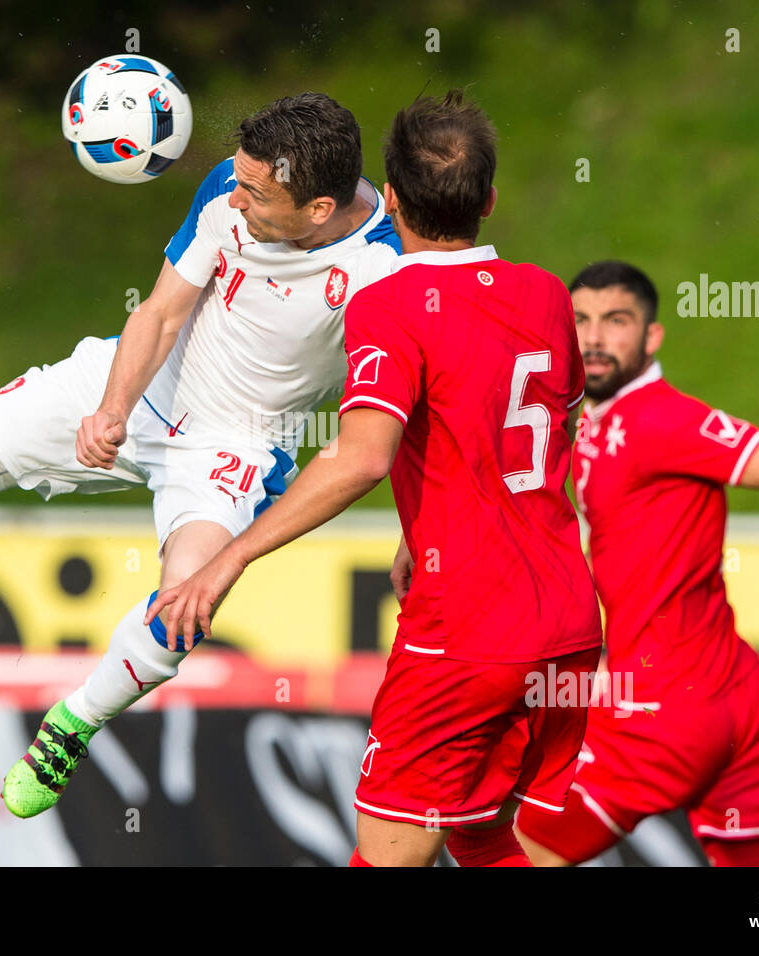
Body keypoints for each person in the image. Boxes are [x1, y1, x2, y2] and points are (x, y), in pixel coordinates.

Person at [0, 92, 401, 819]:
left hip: (233, 445)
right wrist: (113, 408)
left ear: (317, 209)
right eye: (239, 181)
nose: (235, 196)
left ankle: (74, 722)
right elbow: (161, 312)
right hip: (127, 379)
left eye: (255, 192)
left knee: (185, 605)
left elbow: (385, 430)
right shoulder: (230, 186)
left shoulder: (385, 273)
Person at [150, 90, 603, 867]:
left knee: (387, 855)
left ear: (388, 199)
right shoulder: (547, 293)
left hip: (465, 633)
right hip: (567, 625)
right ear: (489, 200)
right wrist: (416, 528)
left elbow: (361, 455)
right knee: (483, 833)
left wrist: (230, 556)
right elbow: (540, 427)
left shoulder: (392, 303)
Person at [514, 260, 759, 866]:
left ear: (651, 338)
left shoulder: (657, 418)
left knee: (517, 849)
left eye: (615, 322)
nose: (593, 338)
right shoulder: (593, 422)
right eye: (581, 321)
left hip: (663, 707)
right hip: (739, 704)